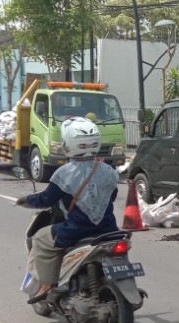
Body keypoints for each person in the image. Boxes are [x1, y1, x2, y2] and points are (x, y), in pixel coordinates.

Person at [16, 117, 119, 304]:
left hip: (76, 231)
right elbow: (112, 196)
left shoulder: (64, 172)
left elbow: (46, 199)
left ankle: (46, 285)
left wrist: (26, 200)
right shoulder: (109, 170)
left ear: (67, 144)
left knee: (40, 238)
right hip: (109, 230)